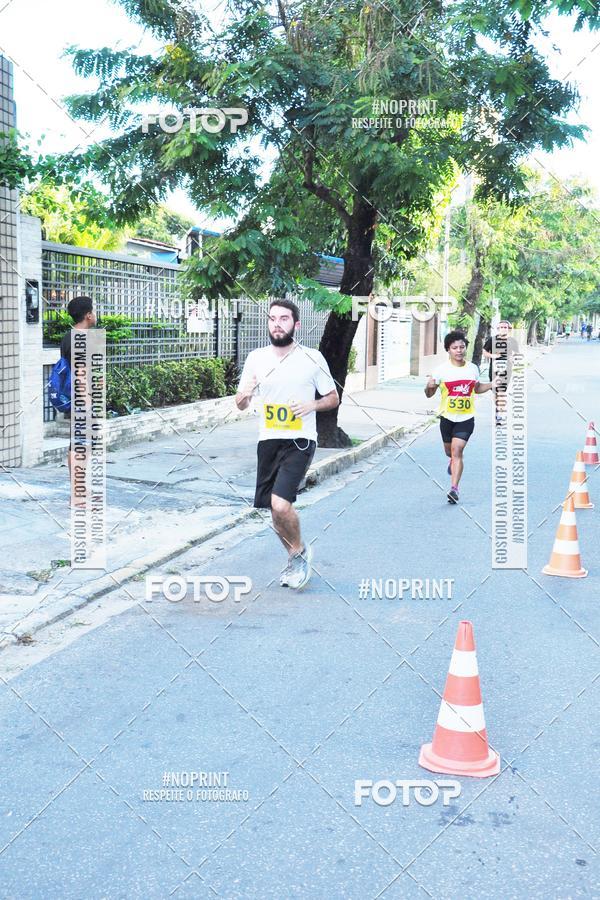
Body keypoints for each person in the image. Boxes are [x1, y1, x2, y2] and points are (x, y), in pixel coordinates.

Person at [235, 299, 339, 589]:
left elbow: (333, 398)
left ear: (296, 324)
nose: (277, 324)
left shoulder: (312, 357)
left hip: (300, 440)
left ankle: (299, 552)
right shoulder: (256, 358)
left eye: (284, 318)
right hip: (268, 440)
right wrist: (245, 395)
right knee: (273, 509)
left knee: (281, 504)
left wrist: (311, 405)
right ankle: (295, 554)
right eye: (272, 318)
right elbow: (241, 403)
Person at [425, 330, 495, 504]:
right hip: (447, 417)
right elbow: (429, 394)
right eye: (455, 347)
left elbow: (476, 388)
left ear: (466, 348)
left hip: (466, 418)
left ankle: (454, 489)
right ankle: (452, 462)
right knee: (449, 452)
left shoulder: (472, 368)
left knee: (458, 451)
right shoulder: (441, 370)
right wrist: (429, 386)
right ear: (448, 349)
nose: (459, 350)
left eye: (462, 347)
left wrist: (493, 384)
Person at [59, 297, 97, 493]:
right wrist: (88, 402)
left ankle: (76, 489)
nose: (96, 314)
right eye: (94, 310)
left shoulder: (68, 337)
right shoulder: (82, 339)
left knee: (76, 444)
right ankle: (78, 492)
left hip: (72, 398)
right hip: (81, 400)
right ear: (88, 315)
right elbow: (80, 374)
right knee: (82, 445)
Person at [482, 321, 519, 424]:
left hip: (506, 370)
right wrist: (493, 356)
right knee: (495, 392)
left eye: (505, 327)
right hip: (493, 370)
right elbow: (484, 352)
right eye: (501, 327)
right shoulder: (492, 340)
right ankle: (498, 409)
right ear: (498, 329)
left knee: (501, 391)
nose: (503, 328)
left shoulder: (512, 341)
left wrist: (513, 358)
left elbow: (516, 354)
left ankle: (500, 413)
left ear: (509, 329)